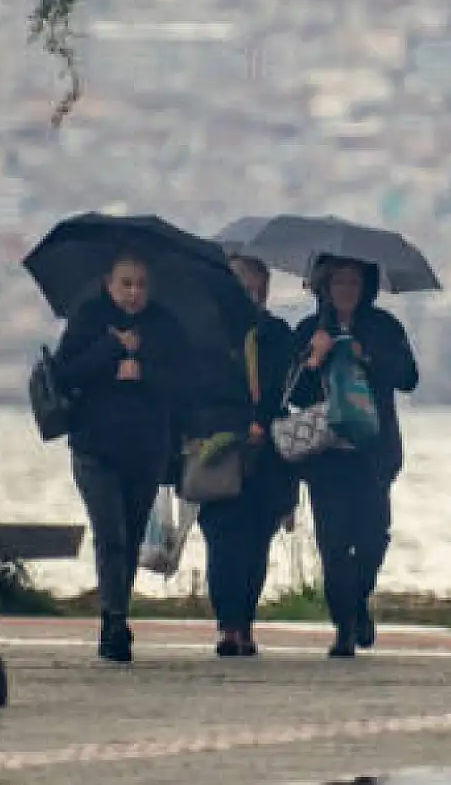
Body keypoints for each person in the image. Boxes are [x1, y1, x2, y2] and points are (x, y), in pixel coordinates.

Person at [52, 250, 190, 663]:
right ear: (109, 284)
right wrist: (112, 350)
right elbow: (64, 372)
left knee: (129, 536)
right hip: (95, 447)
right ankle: (113, 621)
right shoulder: (89, 318)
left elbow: (184, 380)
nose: (133, 293)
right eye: (125, 284)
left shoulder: (164, 325)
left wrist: (143, 370)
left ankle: (119, 609)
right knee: (109, 533)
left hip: (146, 449)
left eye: (140, 285)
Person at [290, 256, 419, 658]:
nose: (346, 289)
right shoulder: (309, 330)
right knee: (332, 544)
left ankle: (358, 600)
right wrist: (314, 360)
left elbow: (408, 377)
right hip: (327, 457)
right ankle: (343, 627)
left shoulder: (383, 327)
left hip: (371, 454)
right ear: (324, 286)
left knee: (372, 537)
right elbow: (294, 394)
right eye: (339, 281)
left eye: (354, 281)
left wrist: (368, 358)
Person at [195, 256, 299, 657]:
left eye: (258, 287)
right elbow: (201, 390)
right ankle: (227, 625)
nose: (251, 295)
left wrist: (263, 419)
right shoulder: (209, 336)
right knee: (222, 539)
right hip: (222, 448)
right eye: (243, 286)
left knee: (257, 542)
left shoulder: (277, 334)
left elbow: (284, 387)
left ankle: (246, 622)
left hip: (268, 454)